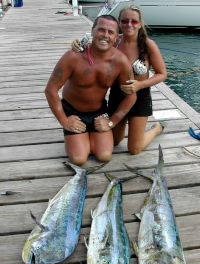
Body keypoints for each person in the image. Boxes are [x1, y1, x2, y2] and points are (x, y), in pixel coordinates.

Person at [72, 5, 167, 155]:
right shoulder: (114, 42)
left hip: (140, 98)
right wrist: (78, 45)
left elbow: (162, 74)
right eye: (125, 21)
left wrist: (140, 84)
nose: (129, 24)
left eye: (134, 21)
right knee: (115, 142)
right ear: (119, 22)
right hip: (117, 96)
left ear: (140, 24)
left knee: (134, 149)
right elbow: (92, 49)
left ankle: (156, 129)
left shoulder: (148, 45)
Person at [45, 15, 136, 166]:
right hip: (73, 111)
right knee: (79, 159)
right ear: (92, 31)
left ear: (116, 38)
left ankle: (88, 137)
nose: (105, 35)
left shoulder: (120, 61)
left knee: (104, 155)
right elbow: (50, 90)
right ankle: (79, 139)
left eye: (110, 32)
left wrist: (111, 123)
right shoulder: (73, 56)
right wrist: (64, 121)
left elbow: (131, 97)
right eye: (101, 30)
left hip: (98, 112)